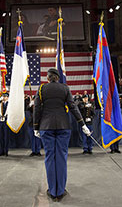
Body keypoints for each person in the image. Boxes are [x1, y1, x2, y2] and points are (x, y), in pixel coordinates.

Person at [34, 68, 90, 201]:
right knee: (61, 158)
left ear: (47, 78)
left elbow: (37, 108)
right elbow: (72, 107)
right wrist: (82, 124)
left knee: (50, 158)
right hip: (63, 126)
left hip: (46, 127)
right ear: (58, 78)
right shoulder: (65, 88)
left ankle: (53, 191)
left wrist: (35, 127)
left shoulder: (41, 89)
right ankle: (60, 191)